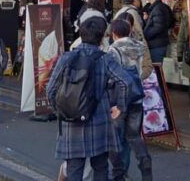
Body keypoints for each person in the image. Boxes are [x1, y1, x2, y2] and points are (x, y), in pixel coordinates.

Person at [47, 17, 129, 181]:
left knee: (74, 170)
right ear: (101, 37)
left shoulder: (67, 57)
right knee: (101, 168)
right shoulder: (105, 59)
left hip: (70, 121)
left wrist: (61, 110)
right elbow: (126, 83)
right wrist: (120, 107)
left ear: (81, 35)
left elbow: (51, 89)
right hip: (99, 120)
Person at [107, 18, 153, 181]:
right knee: (134, 136)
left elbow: (112, 78)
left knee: (115, 139)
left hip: (119, 101)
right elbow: (143, 70)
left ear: (114, 34)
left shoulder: (112, 50)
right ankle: (145, 165)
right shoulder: (139, 47)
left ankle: (118, 174)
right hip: (136, 99)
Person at [142, 0, 171, 64]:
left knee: (157, 71)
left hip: (157, 45)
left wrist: (145, 34)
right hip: (158, 44)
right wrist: (147, 20)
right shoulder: (158, 7)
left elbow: (158, 27)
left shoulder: (158, 8)